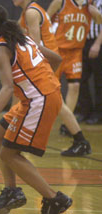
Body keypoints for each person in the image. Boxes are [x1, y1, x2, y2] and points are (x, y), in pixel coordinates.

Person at [0, 4, 72, 214]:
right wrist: (42, 81)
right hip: (41, 96)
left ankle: (54, 198)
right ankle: (11, 192)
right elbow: (56, 59)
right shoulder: (23, 38)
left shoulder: (1, 50)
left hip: (39, 100)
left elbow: (8, 87)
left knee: (9, 154)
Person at [14, 0, 92, 157]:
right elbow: (19, 30)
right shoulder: (30, 11)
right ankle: (79, 140)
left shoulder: (32, 12)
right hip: (50, 55)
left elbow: (34, 45)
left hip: (47, 58)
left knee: (55, 101)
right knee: (46, 99)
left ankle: (80, 140)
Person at [47, 0, 102, 134]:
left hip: (75, 51)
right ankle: (39, 118)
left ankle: (67, 122)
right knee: (49, 89)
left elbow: (99, 22)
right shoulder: (61, 1)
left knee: (75, 86)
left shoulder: (90, 5)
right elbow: (45, 19)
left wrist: (97, 14)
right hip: (58, 50)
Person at [77, 0, 102, 125]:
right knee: (80, 78)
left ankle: (98, 114)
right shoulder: (81, 3)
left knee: (99, 80)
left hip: (97, 42)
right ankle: (84, 111)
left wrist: (97, 44)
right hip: (82, 42)